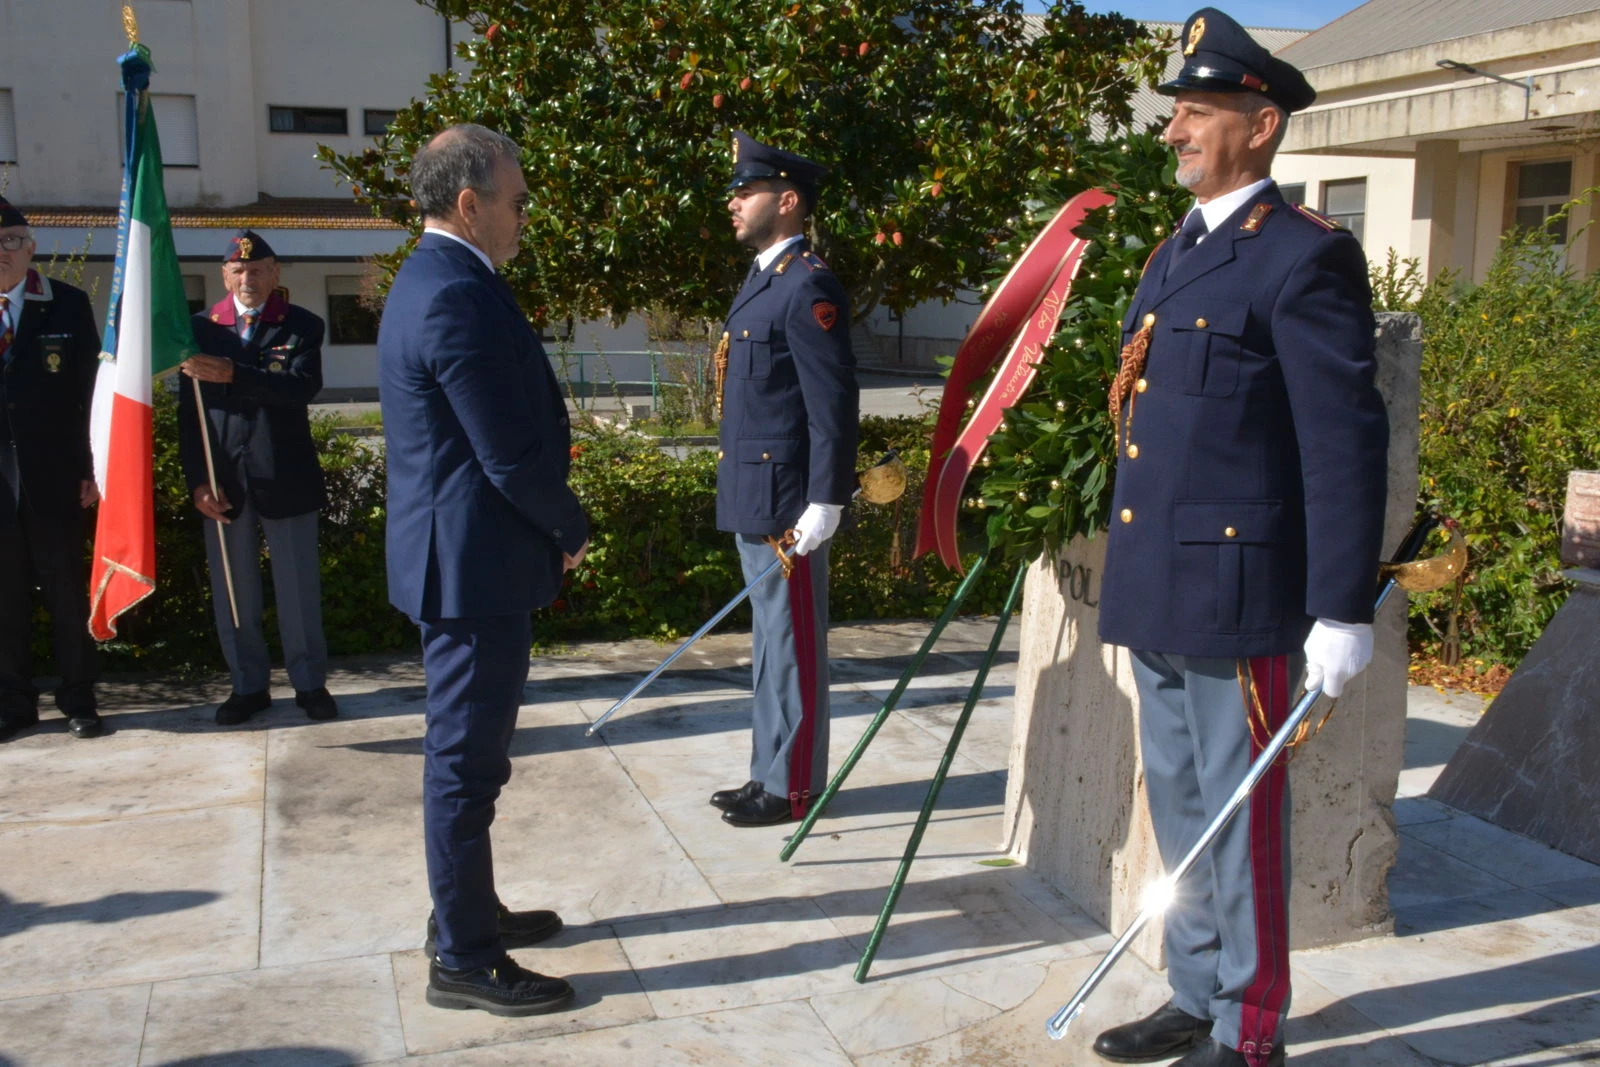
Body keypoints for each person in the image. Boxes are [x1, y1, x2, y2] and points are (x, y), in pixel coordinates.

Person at [1091, 10, 1390, 1067]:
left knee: (1240, 812)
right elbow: (1147, 429)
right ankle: (1193, 984)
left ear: (1258, 125)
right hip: (1163, 584)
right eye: (1173, 114)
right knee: (1179, 803)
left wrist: (1341, 605)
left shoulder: (1304, 259)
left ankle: (1247, 1023)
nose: (1171, 132)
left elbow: (1342, 443)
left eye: (1193, 114)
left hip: (1243, 590)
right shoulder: (1176, 255)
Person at [379, 123, 589, 1016]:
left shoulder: (446, 279)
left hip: (471, 561)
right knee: (464, 765)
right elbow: (504, 451)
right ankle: (462, 955)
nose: (523, 215)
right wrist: (569, 525)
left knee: (473, 760)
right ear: (469, 204)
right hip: (470, 571)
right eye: (515, 200)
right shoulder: (452, 294)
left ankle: (468, 911)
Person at [707, 131, 859, 828]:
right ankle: (765, 771)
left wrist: (827, 497)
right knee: (770, 647)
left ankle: (794, 786)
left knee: (794, 648)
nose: (734, 201)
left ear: (788, 200)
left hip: (788, 503)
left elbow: (831, 402)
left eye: (748, 190)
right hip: (753, 496)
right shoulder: (764, 277)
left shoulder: (808, 284)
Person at [180, 230, 337, 726]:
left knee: (297, 589)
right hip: (224, 479)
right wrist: (197, 481)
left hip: (285, 475)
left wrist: (235, 374)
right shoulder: (199, 330)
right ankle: (247, 686)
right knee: (235, 591)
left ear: (275, 273)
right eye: (239, 271)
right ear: (225, 276)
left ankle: (310, 684)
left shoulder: (301, 325)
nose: (248, 278)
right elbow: (189, 415)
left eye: (258, 269)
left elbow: (301, 387)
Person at [0, 195, 103, 742]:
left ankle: (78, 697)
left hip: (55, 475)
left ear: (30, 248)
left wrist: (93, 467)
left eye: (11, 241)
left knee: (66, 594)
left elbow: (89, 393)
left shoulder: (64, 303)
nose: (2, 253)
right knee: (5, 599)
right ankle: (13, 702)